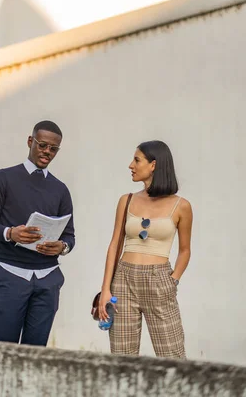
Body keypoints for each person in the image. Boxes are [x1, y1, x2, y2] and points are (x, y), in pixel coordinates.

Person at [0, 120, 75, 346]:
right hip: (12, 275)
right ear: (30, 141)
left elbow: (70, 237)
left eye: (53, 149)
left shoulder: (61, 189)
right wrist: (11, 233)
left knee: (37, 354)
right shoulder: (3, 178)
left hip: (48, 278)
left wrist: (62, 247)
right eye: (42, 145)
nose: (47, 152)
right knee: (4, 350)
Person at [99, 140, 193, 359]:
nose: (131, 165)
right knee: (122, 359)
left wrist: (173, 281)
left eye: (137, 160)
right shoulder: (126, 200)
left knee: (173, 358)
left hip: (159, 281)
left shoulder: (182, 206)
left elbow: (185, 250)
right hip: (123, 280)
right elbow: (115, 244)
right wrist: (105, 289)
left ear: (153, 165)